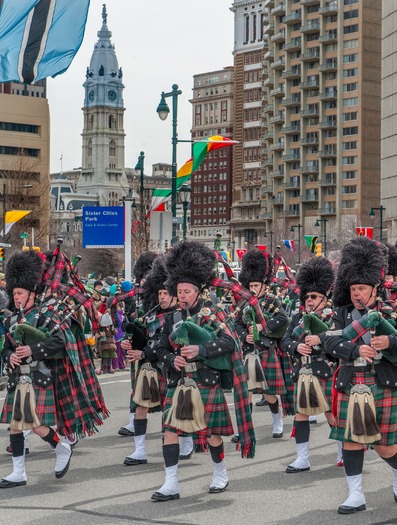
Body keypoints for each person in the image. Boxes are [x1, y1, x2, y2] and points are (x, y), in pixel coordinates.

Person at [151, 241, 255, 501]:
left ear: (198, 292)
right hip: (179, 381)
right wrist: (171, 359)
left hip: (206, 379)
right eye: (179, 291)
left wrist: (202, 350)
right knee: (169, 431)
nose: (182, 295)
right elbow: (159, 349)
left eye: (187, 291)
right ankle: (171, 483)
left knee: (211, 435)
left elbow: (230, 342)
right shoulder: (172, 318)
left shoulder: (214, 314)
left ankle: (220, 473)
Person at [325, 236, 397, 514]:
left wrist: (389, 342)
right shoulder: (341, 315)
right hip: (351, 382)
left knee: (385, 447)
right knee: (350, 441)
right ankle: (355, 495)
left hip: (383, 382)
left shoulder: (389, 312)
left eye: (362, 288)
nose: (357, 293)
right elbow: (330, 343)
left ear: (375, 288)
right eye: (353, 288)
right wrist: (356, 350)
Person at [0, 251, 72, 487]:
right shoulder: (10, 320)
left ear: (32, 293)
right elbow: (5, 349)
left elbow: (60, 341)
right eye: (14, 293)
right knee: (15, 425)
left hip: (39, 376)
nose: (16, 297)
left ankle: (60, 446)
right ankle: (18, 472)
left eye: (20, 293)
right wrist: (9, 355)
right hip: (16, 379)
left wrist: (32, 350)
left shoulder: (44, 315)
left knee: (34, 425)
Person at [121, 256, 193, 466]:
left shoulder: (181, 318)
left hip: (171, 369)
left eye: (166, 294)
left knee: (179, 409)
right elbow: (144, 339)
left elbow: (166, 346)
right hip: (151, 369)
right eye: (159, 293)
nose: (162, 297)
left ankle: (187, 442)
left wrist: (143, 354)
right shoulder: (151, 315)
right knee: (140, 407)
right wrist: (130, 344)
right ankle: (140, 450)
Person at [281, 257, 339, 473]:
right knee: (301, 415)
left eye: (314, 296)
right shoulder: (297, 317)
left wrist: (320, 339)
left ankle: (343, 451)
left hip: (325, 370)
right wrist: (296, 347)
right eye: (306, 296)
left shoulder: (334, 317)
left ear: (325, 297)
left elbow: (340, 340)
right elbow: (285, 341)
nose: (309, 300)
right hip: (303, 371)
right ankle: (302, 458)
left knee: (331, 414)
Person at [235, 248, 289, 439]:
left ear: (264, 286)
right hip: (249, 351)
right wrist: (244, 337)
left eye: (256, 285)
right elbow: (237, 324)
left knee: (269, 393)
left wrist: (261, 326)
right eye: (251, 285)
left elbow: (283, 319)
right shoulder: (243, 303)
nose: (253, 288)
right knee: (246, 392)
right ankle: (245, 429)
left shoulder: (272, 301)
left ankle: (277, 422)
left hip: (266, 350)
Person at [118, 251, 158, 437]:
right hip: (140, 353)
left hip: (158, 353)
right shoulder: (139, 304)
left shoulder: (165, 301)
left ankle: (184, 435)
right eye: (141, 278)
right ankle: (134, 421)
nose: (143, 282)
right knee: (137, 390)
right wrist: (128, 341)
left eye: (146, 278)